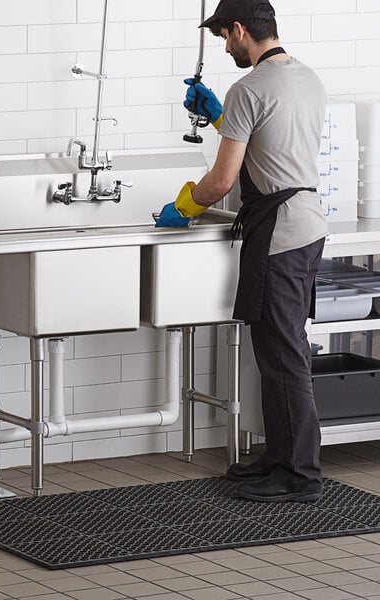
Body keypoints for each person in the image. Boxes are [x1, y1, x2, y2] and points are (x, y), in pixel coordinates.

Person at [156, 0, 328, 502]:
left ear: (238, 30)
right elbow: (273, 145)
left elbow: (221, 180)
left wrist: (183, 207)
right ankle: (279, 457)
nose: (223, 46)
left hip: (280, 234)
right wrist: (221, 119)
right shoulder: (306, 78)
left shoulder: (249, 88)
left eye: (222, 37)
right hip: (306, 225)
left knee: (283, 355)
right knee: (277, 350)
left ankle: (300, 475)